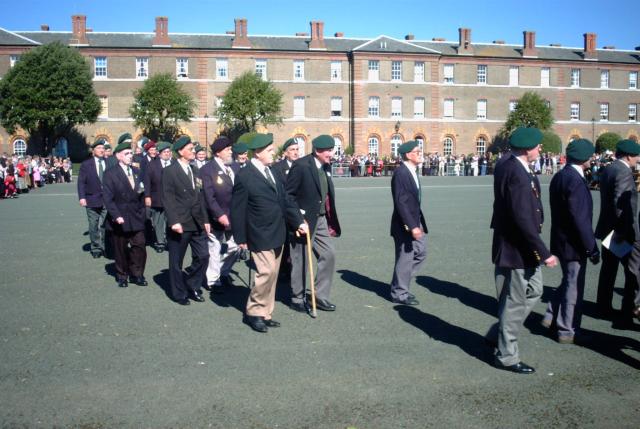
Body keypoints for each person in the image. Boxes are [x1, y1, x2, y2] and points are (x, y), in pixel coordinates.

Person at [489, 127, 558, 374]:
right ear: (528, 148)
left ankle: (498, 333)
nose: (540, 149)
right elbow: (522, 218)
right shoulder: (515, 171)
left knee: (534, 290)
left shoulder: (515, 166)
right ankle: (507, 355)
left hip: (521, 246)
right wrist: (544, 251)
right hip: (518, 246)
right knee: (515, 301)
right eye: (538, 146)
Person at [231, 133, 301, 332]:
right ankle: (254, 312)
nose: (273, 153)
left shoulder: (273, 172)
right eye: (270, 150)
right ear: (259, 152)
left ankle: (265, 312)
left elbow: (286, 199)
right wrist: (241, 238)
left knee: (273, 275)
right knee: (266, 272)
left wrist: (298, 221)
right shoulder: (245, 175)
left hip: (278, 231)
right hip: (258, 233)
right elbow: (237, 209)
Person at [542, 139, 600, 344]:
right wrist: (591, 247)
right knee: (574, 287)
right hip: (573, 243)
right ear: (585, 157)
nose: (593, 158)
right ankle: (567, 329)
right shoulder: (575, 180)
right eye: (591, 155)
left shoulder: (560, 175)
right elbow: (580, 219)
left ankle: (550, 316)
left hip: (561, 239)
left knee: (568, 281)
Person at [285, 135, 341, 313]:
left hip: (321, 219)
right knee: (300, 260)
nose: (331, 154)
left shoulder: (326, 165)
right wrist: (298, 221)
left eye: (332, 150)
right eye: (328, 151)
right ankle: (297, 298)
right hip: (303, 222)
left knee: (329, 254)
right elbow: (288, 197)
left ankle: (320, 295)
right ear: (317, 151)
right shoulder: (301, 166)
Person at [594, 139, 640, 327]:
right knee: (633, 271)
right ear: (629, 155)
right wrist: (622, 230)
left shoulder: (611, 168)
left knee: (609, 268)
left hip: (607, 227)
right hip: (622, 230)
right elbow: (620, 204)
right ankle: (630, 309)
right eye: (637, 155)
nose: (638, 159)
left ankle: (603, 306)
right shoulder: (623, 172)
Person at [162, 135, 210, 305]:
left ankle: (193, 284)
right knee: (176, 262)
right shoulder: (170, 171)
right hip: (180, 223)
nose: (194, 151)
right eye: (190, 149)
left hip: (196, 221)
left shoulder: (195, 170)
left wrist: (205, 220)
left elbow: (200, 197)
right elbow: (167, 198)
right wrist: (174, 221)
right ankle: (178, 293)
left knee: (204, 256)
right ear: (180, 152)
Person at [102, 137, 148, 288]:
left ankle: (138, 274)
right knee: (120, 249)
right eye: (127, 153)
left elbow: (141, 193)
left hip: (136, 216)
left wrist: (143, 212)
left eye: (131, 153)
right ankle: (122, 275)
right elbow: (108, 199)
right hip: (120, 218)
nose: (131, 155)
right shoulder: (110, 173)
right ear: (118, 156)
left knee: (139, 246)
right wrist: (116, 216)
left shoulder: (137, 171)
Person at [389, 141, 428, 305]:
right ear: (408, 155)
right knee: (405, 258)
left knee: (420, 253)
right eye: (417, 151)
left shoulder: (411, 171)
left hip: (414, 221)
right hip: (405, 224)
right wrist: (412, 226)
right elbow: (401, 202)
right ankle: (399, 293)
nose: (420, 153)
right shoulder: (401, 173)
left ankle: (399, 285)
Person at [201, 136, 240, 292]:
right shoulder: (207, 170)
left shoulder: (235, 167)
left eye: (230, 148)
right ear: (218, 153)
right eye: (227, 149)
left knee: (236, 247)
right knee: (214, 248)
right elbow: (208, 197)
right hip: (216, 217)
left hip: (234, 216)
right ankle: (212, 281)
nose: (231, 151)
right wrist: (219, 214)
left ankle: (223, 272)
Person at [77, 138, 108, 258]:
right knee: (93, 225)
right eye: (99, 148)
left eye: (103, 148)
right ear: (93, 151)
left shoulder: (109, 162)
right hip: (91, 199)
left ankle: (106, 246)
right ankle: (96, 247)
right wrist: (82, 197)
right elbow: (81, 182)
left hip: (107, 199)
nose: (102, 150)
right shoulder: (86, 164)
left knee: (106, 225)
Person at [143, 141, 172, 253]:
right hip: (157, 197)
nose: (167, 154)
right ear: (159, 153)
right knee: (159, 221)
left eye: (168, 151)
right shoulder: (152, 165)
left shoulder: (174, 163)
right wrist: (147, 196)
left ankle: (170, 241)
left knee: (170, 220)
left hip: (172, 198)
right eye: (164, 152)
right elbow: (147, 182)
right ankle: (160, 242)